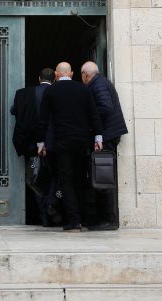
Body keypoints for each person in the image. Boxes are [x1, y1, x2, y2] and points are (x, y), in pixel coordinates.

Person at [37, 62, 103, 232]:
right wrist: (98, 137)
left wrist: (41, 142)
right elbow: (94, 114)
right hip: (82, 141)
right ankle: (86, 219)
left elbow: (43, 119)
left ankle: (74, 221)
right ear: (72, 73)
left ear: (57, 75)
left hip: (63, 141)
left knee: (65, 180)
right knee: (81, 179)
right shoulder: (84, 89)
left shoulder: (51, 90)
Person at [81, 61, 128, 230]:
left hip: (107, 136)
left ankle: (109, 220)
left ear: (86, 74)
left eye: (83, 76)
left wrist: (91, 119)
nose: (83, 79)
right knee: (103, 176)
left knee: (104, 177)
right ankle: (105, 219)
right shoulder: (101, 83)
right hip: (108, 134)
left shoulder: (98, 85)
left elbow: (105, 107)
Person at [10, 67, 59, 226]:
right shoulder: (58, 92)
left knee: (36, 178)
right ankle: (52, 203)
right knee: (55, 176)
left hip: (30, 144)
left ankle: (44, 217)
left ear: (39, 78)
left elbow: (14, 111)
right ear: (55, 79)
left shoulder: (22, 94)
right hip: (53, 143)